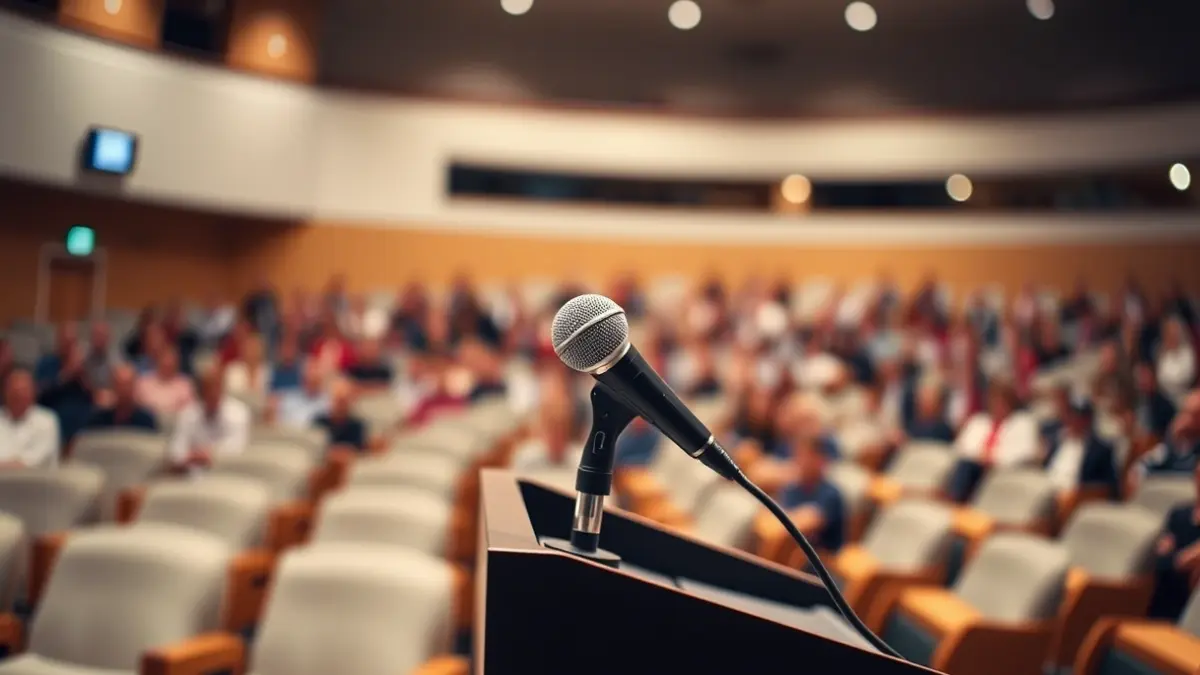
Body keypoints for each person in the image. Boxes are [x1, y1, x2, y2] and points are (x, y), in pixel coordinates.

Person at [947, 380, 1039, 503]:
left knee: (968, 468)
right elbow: (960, 448)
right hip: (976, 467)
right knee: (965, 466)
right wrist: (981, 456)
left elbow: (1025, 453)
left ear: (1010, 403)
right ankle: (955, 503)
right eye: (993, 401)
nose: (996, 405)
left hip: (1003, 471)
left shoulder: (1022, 423)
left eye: (1001, 401)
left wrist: (993, 458)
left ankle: (955, 502)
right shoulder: (978, 421)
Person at [168, 365, 251, 474]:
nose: (213, 394)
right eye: (208, 390)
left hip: (226, 473)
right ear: (201, 393)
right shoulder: (188, 413)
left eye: (216, 389)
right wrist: (187, 456)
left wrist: (210, 453)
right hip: (191, 472)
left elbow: (237, 447)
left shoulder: (239, 412)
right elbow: (176, 448)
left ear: (222, 389)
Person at [1148, 463, 1200, 620]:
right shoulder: (1179, 514)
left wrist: (1176, 558)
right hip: (1163, 597)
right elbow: (1162, 560)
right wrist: (1180, 559)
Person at [777, 437, 846, 553]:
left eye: (806, 456)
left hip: (821, 560)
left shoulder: (831, 494)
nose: (799, 462)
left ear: (820, 460)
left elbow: (808, 523)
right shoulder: (792, 487)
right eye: (798, 455)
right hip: (793, 551)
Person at [1042, 398, 1119, 499]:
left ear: (1088, 420)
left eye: (1081, 418)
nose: (1076, 421)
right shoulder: (1057, 440)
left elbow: (1108, 485)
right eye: (1073, 416)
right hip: (1047, 488)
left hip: (1074, 495)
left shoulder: (1100, 450)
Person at [0, 369, 60, 469]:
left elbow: (31, 465)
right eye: (14, 393)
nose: (18, 397)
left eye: (22, 392)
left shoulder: (46, 421)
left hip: (37, 483)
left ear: (33, 393)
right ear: (5, 393)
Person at [85, 364, 158, 432]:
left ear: (134, 387)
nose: (124, 389)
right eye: (120, 385)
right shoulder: (98, 420)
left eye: (128, 385)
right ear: (113, 387)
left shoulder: (146, 421)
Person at [134, 348, 195, 421]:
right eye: (164, 363)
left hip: (176, 423)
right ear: (157, 362)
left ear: (177, 364)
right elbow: (136, 405)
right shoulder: (143, 382)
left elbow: (190, 409)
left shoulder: (186, 385)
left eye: (171, 364)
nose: (167, 366)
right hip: (147, 423)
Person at [270, 360, 330, 429]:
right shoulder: (288, 399)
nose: (311, 376)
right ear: (302, 379)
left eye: (315, 381)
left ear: (321, 380)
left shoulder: (327, 404)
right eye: (308, 380)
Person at [314, 378, 367, 451]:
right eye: (338, 400)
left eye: (344, 401)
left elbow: (358, 449)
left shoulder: (357, 426)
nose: (341, 405)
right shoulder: (318, 422)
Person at [1157, 316, 1196, 405]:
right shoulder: (1160, 353)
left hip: (1185, 396)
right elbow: (1160, 379)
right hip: (1164, 399)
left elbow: (1186, 376)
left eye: (1175, 332)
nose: (1173, 335)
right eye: (1170, 332)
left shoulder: (1187, 352)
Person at [224, 334, 272, 400]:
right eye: (250, 347)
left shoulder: (268, 371)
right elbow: (230, 393)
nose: (253, 351)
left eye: (256, 348)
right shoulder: (233, 370)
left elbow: (270, 395)